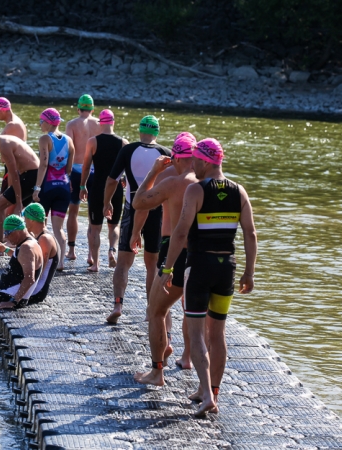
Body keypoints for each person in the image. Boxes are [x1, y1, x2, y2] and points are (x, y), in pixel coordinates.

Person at [159, 138, 257, 417]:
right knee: (218, 333)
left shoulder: (196, 190)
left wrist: (166, 269)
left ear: (204, 161)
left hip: (200, 267)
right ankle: (211, 391)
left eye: (195, 160)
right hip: (227, 267)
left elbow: (179, 232)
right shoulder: (240, 192)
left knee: (195, 331)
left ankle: (207, 397)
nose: (193, 165)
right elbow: (250, 233)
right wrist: (249, 271)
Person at [131, 133, 200, 386]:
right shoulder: (209, 183)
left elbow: (139, 203)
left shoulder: (174, 181)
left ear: (175, 158)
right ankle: (206, 387)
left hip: (175, 250)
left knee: (156, 310)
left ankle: (157, 372)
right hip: (204, 254)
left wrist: (154, 170)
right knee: (196, 315)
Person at [104, 115, 171, 324]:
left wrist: (107, 203)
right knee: (152, 264)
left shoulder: (128, 150)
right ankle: (150, 310)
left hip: (133, 208)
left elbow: (112, 180)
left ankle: (117, 305)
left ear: (140, 130)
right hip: (157, 211)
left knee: (123, 262)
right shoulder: (165, 154)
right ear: (157, 132)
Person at [0, 124, 40, 256]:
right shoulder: (5, 139)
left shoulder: (4, 146)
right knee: (14, 210)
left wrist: (18, 198)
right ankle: (14, 243)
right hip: (34, 174)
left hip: (29, 176)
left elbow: (14, 173)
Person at [80, 109, 128, 272]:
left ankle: (95, 264)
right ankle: (111, 251)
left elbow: (86, 167)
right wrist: (125, 181)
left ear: (101, 123)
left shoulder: (93, 142)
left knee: (95, 227)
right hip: (116, 188)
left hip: (98, 187)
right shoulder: (123, 142)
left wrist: (82, 186)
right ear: (113, 122)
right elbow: (127, 169)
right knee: (113, 225)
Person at [0, 203, 59, 305]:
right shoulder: (38, 236)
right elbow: (23, 259)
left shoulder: (44, 239)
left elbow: (38, 270)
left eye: (25, 218)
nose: (24, 221)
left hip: (37, 290)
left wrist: (17, 295)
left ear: (32, 219)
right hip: (33, 286)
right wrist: (6, 249)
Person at [33, 108, 74, 270]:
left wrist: (37, 188)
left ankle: (40, 260)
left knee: (39, 225)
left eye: (41, 121)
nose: (39, 124)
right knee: (58, 228)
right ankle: (61, 262)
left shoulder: (45, 139)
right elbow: (69, 169)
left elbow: (43, 164)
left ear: (48, 122)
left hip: (47, 187)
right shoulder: (69, 140)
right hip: (63, 187)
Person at [64, 94, 101, 260]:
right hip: (95, 170)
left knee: (73, 211)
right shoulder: (101, 124)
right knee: (93, 215)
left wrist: (67, 175)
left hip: (77, 170)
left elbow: (68, 150)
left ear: (78, 108)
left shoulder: (72, 124)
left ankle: (71, 251)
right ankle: (91, 255)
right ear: (93, 109)